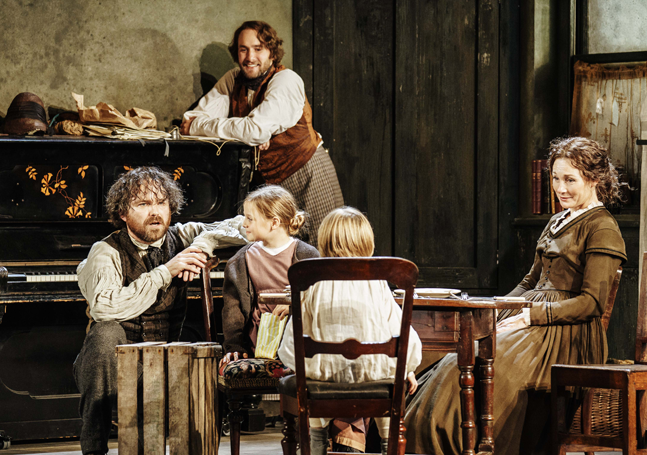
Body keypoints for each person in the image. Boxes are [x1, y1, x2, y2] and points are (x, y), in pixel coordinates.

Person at [404, 137, 627, 455]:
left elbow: (591, 303)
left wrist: (533, 315)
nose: (560, 188)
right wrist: (494, 308)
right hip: (530, 318)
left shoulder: (602, 227)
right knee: (457, 361)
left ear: (594, 180)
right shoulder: (557, 220)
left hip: (565, 336)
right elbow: (530, 281)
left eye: (569, 180)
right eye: (555, 178)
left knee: (484, 368)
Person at [73, 166, 246, 455]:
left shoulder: (182, 236)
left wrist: (203, 245)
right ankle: (94, 448)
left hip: (167, 356)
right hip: (112, 362)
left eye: (161, 203)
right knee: (104, 334)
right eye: (143, 204)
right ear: (123, 214)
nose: (155, 212)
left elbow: (246, 225)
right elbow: (105, 307)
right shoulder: (106, 251)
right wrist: (167, 271)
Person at [180, 20, 344, 246]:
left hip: (307, 174)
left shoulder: (286, 80)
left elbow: (255, 130)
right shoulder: (232, 80)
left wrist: (247, 132)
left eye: (258, 49)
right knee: (280, 255)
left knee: (326, 250)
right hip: (269, 186)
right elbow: (190, 122)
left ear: (272, 53)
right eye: (243, 49)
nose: (250, 57)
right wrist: (243, 132)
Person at [277, 207, 423, 455]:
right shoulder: (378, 283)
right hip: (374, 374)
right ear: (366, 241)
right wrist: (405, 368)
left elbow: (290, 347)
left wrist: (302, 365)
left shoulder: (311, 280)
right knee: (390, 382)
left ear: (325, 240)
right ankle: (387, 442)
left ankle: (318, 440)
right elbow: (405, 338)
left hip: (322, 376)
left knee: (312, 382)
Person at [220, 185, 318, 365]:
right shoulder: (241, 260)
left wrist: (296, 304)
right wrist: (234, 347)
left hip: (299, 340)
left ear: (274, 223)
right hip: (258, 344)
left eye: (250, 218)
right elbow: (232, 311)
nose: (244, 224)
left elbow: (319, 298)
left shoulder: (307, 256)